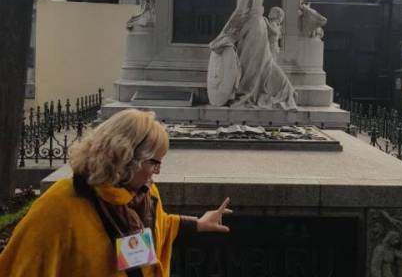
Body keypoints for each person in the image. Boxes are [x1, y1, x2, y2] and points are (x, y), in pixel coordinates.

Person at [0, 109, 231, 277]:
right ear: (126, 157)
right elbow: (25, 266)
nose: (158, 171)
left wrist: (198, 223)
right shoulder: (61, 204)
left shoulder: (145, 194)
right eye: (154, 162)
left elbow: (159, 224)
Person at [209, 0, 297, 110]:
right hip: (260, 26)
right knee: (260, 64)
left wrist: (224, 31)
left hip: (251, 28)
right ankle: (282, 89)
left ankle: (247, 94)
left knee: (249, 65)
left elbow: (239, 12)